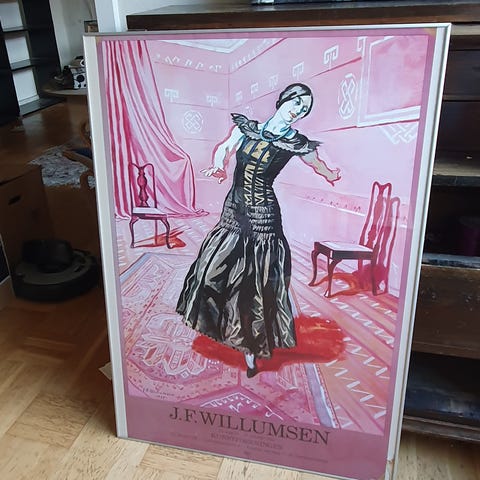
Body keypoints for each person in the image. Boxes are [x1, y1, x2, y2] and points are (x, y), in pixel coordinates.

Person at [176, 83, 340, 378]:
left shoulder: (296, 142)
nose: (299, 110)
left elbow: (316, 162)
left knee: (255, 282)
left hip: (264, 215)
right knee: (215, 270)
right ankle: (223, 326)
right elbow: (225, 148)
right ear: (283, 100)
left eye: (305, 108)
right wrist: (219, 166)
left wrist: (330, 174)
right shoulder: (247, 128)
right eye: (297, 102)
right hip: (234, 208)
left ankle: (252, 347)